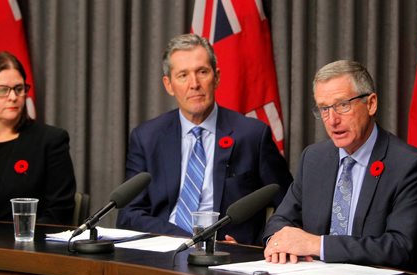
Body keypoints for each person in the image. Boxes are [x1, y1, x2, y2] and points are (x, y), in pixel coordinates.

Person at [263, 60, 417, 275]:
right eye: (324, 109)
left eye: (343, 105)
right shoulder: (314, 159)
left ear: (371, 103)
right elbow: (281, 220)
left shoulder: (409, 166)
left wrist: (318, 245)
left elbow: (401, 247)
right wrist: (279, 242)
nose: (332, 120)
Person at [117, 34, 293, 245]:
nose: (194, 84)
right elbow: (128, 214)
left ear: (216, 77)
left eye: (202, 72)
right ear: (169, 84)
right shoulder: (147, 137)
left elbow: (289, 206)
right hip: (163, 250)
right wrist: (190, 240)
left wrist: (255, 247)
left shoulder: (252, 135)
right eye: (183, 75)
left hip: (229, 255)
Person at [0, 51, 76, 225]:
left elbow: (59, 214)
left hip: (25, 247)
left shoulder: (50, 141)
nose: (13, 97)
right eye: (2, 90)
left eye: (19, 89)